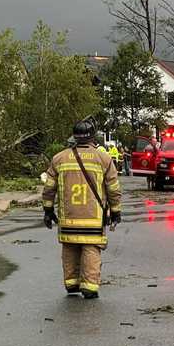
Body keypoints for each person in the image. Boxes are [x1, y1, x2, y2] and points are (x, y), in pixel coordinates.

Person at [42, 119, 122, 299]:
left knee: (70, 248)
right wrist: (116, 211)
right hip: (93, 218)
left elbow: (49, 188)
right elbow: (113, 188)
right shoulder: (103, 158)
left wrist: (48, 211)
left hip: (68, 217)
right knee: (91, 248)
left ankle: (71, 284)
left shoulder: (59, 158)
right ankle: (90, 286)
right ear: (93, 136)